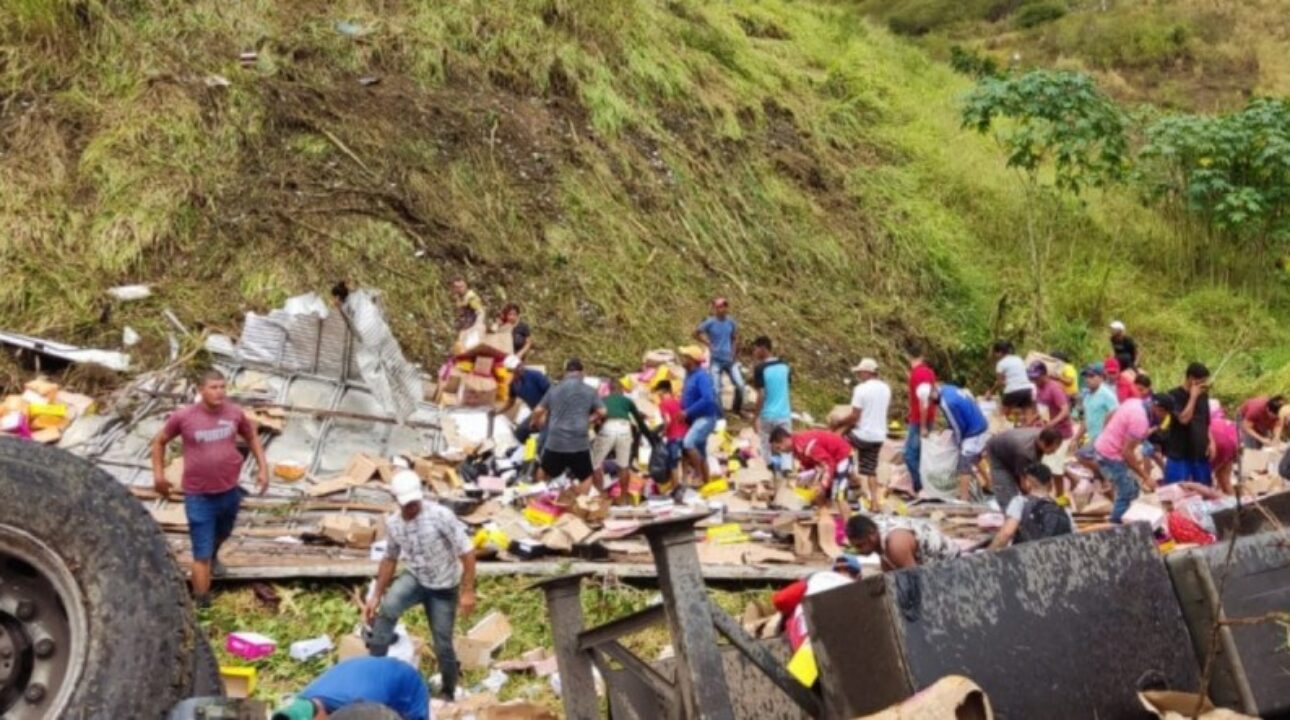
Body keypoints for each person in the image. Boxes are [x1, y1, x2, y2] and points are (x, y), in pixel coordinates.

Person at [151, 369, 269, 608]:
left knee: (223, 533)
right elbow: (159, 442)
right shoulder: (183, 417)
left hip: (229, 491)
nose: (219, 392)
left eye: (223, 387)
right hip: (199, 495)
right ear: (200, 390)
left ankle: (214, 556)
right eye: (213, 387)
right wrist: (159, 476)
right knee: (200, 554)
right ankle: (202, 604)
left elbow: (252, 436)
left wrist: (263, 468)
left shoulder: (234, 413)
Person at [364, 471, 475, 703]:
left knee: (442, 643)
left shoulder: (440, 515)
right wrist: (376, 595)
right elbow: (390, 558)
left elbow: (467, 551)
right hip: (415, 578)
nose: (412, 508)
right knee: (388, 608)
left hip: (444, 588)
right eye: (407, 505)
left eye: (415, 503)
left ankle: (448, 690)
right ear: (397, 501)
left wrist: (467, 590)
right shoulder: (394, 523)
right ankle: (374, 670)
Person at [271, 657, 429, 720]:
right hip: (364, 674)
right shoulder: (304, 698)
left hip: (405, 683)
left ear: (319, 713)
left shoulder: (359, 704)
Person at [530, 358, 606, 483]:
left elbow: (538, 411)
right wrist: (589, 419)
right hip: (579, 441)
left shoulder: (554, 389)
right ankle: (582, 501)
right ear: (582, 373)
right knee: (586, 476)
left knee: (544, 470)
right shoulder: (590, 390)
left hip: (556, 440)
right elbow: (602, 411)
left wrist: (535, 422)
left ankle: (540, 498)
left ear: (566, 373)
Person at [830, 358, 890, 507]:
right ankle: (875, 503)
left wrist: (838, 423)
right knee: (870, 470)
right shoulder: (886, 388)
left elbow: (854, 416)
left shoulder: (861, 389)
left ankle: (850, 481)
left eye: (860, 373)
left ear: (867, 372)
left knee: (838, 447)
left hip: (862, 435)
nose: (859, 376)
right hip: (878, 436)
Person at [1093, 394, 1163, 523]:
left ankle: (1123, 517)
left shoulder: (1134, 401)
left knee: (1132, 489)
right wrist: (1146, 477)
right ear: (1159, 409)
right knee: (1127, 491)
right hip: (1111, 455)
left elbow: (1110, 414)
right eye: (1164, 414)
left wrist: (1107, 433)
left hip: (1103, 447)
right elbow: (1127, 453)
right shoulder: (1141, 420)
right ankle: (1116, 526)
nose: (1163, 417)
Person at [920, 383, 989, 502]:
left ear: (932, 394)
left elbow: (957, 427)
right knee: (976, 458)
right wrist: (945, 435)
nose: (931, 403)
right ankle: (990, 484)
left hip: (973, 431)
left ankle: (964, 499)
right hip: (979, 423)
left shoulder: (947, 403)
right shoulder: (947, 389)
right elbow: (953, 421)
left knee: (964, 464)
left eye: (930, 400)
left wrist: (959, 444)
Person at [988, 463, 1072, 549]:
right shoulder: (1061, 507)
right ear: (1051, 484)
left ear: (1028, 482)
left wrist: (987, 555)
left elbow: (1006, 534)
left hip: (1029, 557)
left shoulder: (1020, 501)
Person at [984, 427, 1063, 513]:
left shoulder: (1043, 435)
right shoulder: (1025, 452)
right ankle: (1010, 518)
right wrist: (1035, 499)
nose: (1054, 452)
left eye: (1056, 449)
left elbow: (1033, 473)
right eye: (1053, 449)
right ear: (1043, 443)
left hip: (1012, 449)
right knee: (1008, 494)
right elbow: (1024, 485)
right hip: (997, 453)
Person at [843, 513, 961, 570]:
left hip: (949, 561)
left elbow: (914, 577)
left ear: (871, 535)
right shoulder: (875, 529)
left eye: (860, 545)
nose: (859, 550)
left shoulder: (896, 544)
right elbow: (885, 559)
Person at [770, 428, 853, 506]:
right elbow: (811, 465)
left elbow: (828, 463)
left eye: (778, 447)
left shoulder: (805, 446)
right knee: (819, 494)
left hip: (842, 456)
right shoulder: (797, 448)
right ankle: (828, 515)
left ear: (784, 440)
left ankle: (847, 520)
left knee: (839, 497)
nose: (780, 451)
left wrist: (823, 485)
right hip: (832, 460)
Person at [1162, 363, 1214, 486]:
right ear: (1191, 379)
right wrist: (1193, 397)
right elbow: (1184, 419)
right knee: (1176, 490)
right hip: (1180, 452)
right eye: (1200, 382)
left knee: (1205, 488)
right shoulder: (1173, 395)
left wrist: (1211, 441)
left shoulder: (1203, 395)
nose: (1203, 386)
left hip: (1200, 451)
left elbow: (1205, 421)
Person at [693, 297, 744, 415]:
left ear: (726, 308)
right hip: (716, 359)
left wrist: (734, 351)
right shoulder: (710, 322)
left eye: (723, 306)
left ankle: (737, 408)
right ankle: (720, 414)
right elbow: (695, 333)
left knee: (740, 385)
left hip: (730, 360)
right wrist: (708, 343)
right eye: (719, 307)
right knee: (716, 389)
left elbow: (735, 337)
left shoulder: (731, 322)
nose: (721, 309)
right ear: (715, 309)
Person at [750, 336, 793, 474]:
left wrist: (755, 416)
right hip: (784, 414)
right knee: (786, 445)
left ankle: (769, 471)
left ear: (763, 348)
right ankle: (786, 473)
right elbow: (786, 386)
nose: (754, 353)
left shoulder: (760, 369)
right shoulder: (785, 366)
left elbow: (761, 395)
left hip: (767, 415)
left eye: (755, 349)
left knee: (765, 444)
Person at [679, 345, 721, 485]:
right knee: (701, 452)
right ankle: (707, 484)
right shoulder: (689, 376)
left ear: (692, 360)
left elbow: (707, 398)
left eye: (685, 357)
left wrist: (687, 411)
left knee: (688, 443)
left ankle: (698, 475)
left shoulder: (702, 376)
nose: (682, 359)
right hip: (696, 419)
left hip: (706, 418)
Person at [592, 377, 647, 470]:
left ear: (609, 389)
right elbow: (639, 419)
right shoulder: (627, 401)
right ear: (621, 390)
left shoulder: (602, 400)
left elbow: (595, 417)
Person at [905, 347, 938, 492]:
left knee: (909, 455)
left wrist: (923, 426)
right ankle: (925, 486)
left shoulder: (919, 373)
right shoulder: (929, 372)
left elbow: (924, 400)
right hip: (924, 417)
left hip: (920, 420)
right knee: (922, 454)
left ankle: (920, 487)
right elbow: (933, 395)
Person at [501, 355, 550, 449]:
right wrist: (497, 412)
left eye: (519, 365)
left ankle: (540, 453)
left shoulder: (535, 375)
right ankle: (529, 456)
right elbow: (510, 402)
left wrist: (545, 411)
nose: (520, 368)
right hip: (535, 413)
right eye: (516, 368)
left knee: (544, 436)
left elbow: (551, 392)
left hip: (549, 410)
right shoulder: (513, 384)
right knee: (520, 433)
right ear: (510, 371)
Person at [987, 341, 1033, 421]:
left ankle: (1000, 431)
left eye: (995, 353)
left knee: (1001, 417)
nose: (994, 355)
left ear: (1000, 353)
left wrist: (990, 392)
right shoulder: (1018, 359)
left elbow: (999, 382)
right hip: (1027, 389)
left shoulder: (1001, 364)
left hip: (1013, 390)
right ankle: (1032, 432)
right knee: (1028, 416)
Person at [1029, 361, 1074, 440]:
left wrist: (1052, 423)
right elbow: (1043, 408)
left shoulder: (1054, 388)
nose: (1034, 381)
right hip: (1047, 430)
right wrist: (1032, 420)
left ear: (1045, 375)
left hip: (1060, 433)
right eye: (1032, 378)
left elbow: (1065, 410)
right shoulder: (1038, 387)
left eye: (1036, 378)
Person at [656, 380, 687, 485]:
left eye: (658, 392)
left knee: (673, 463)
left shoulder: (663, 404)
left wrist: (663, 432)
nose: (657, 394)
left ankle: (676, 487)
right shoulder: (678, 401)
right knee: (684, 459)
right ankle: (685, 483)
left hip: (673, 436)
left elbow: (667, 420)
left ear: (663, 391)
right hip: (685, 434)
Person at [1209, 399, 1238, 495]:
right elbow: (1236, 442)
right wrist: (1235, 458)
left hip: (1212, 451)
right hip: (1228, 453)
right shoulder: (1229, 423)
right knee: (1226, 481)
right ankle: (1234, 504)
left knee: (1206, 482)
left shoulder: (1206, 424)